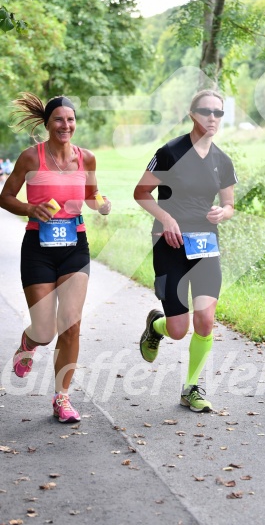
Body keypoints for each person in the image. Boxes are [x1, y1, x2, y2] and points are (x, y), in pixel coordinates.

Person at [0, 92, 111, 423]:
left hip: (75, 244)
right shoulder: (30, 158)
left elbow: (92, 194)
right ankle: (29, 341)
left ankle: (62, 398)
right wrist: (29, 208)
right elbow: (5, 197)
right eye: (59, 119)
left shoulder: (87, 158)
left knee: (72, 324)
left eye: (71, 119)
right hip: (38, 247)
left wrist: (102, 203)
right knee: (46, 330)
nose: (66, 125)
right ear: (47, 124)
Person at [133, 89, 237, 412]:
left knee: (205, 320)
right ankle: (156, 326)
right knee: (179, 329)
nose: (212, 118)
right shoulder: (169, 152)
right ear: (192, 114)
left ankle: (191, 387)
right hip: (170, 244)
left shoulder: (222, 160)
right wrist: (165, 218)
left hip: (206, 244)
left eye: (218, 113)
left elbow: (229, 203)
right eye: (206, 111)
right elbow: (141, 192)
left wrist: (224, 212)